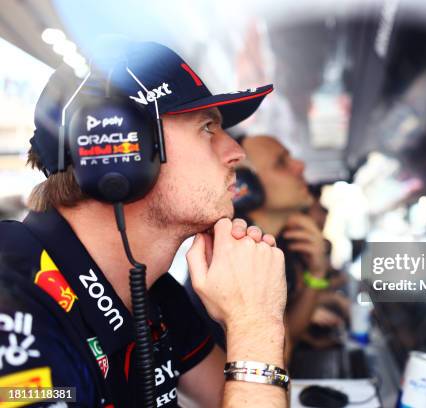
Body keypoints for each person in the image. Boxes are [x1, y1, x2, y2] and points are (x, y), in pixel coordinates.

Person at [0, 42, 289, 407]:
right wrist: (254, 324)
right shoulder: (13, 305)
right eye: (207, 128)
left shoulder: (154, 293)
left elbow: (257, 396)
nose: (236, 152)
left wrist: (255, 320)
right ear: (121, 151)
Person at [236, 135, 346, 348]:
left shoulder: (276, 246)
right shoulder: (241, 254)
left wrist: (316, 273)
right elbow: (280, 351)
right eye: (281, 163)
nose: (299, 166)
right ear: (246, 187)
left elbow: (289, 332)